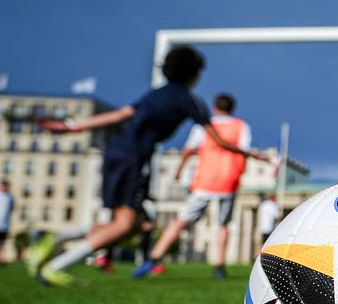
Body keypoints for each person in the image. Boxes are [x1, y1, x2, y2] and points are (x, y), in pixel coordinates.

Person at [29, 46, 266, 286]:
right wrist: (253, 155)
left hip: (115, 152)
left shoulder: (156, 93)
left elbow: (120, 114)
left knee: (137, 224)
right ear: (194, 73)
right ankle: (55, 266)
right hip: (133, 158)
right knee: (124, 224)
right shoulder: (189, 99)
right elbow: (219, 141)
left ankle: (55, 237)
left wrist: (72, 126)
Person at [133, 93, 265, 280]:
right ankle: (219, 266)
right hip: (229, 180)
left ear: (214, 107)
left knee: (181, 220)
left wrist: (180, 169)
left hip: (205, 180)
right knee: (222, 225)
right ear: (232, 109)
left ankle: (154, 258)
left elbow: (188, 149)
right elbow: (244, 149)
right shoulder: (241, 126)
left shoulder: (203, 125)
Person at [0, 180, 12, 267]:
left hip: (4, 226)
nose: (4, 187)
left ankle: (1, 260)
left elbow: (10, 211)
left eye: (5, 186)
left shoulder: (10, 198)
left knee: (2, 243)